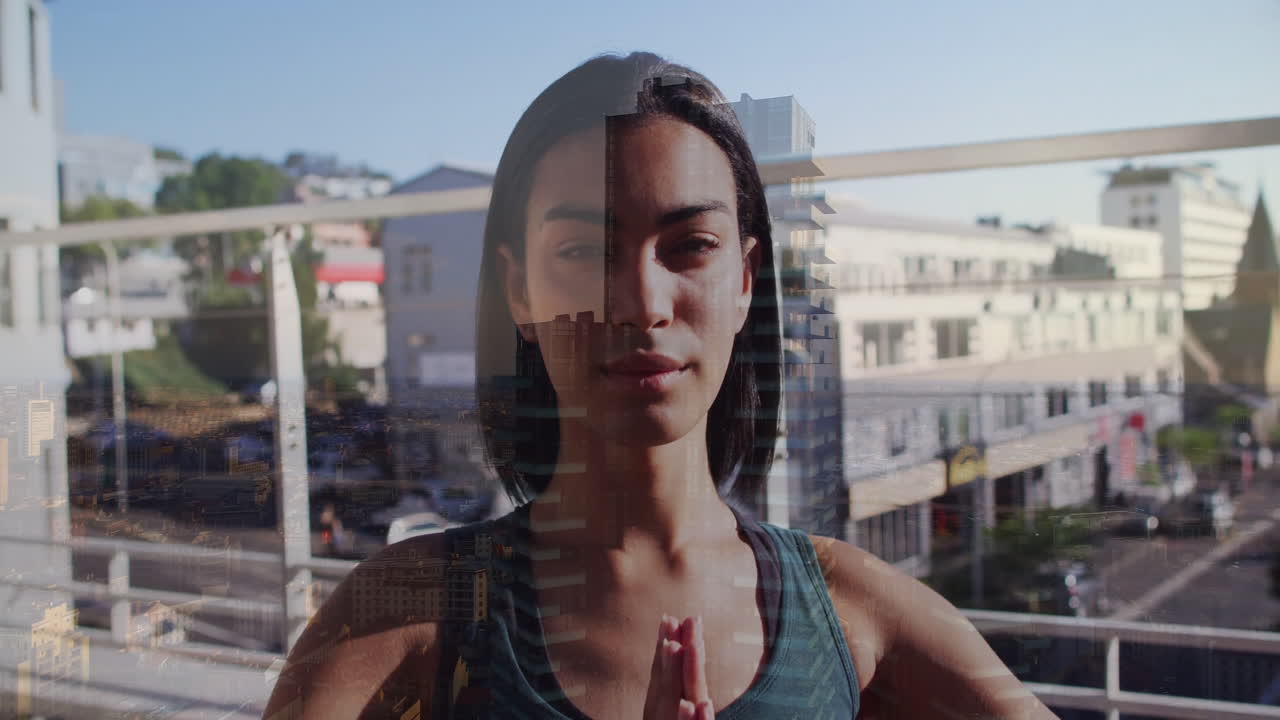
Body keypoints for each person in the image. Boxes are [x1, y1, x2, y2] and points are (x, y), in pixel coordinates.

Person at [264, 52, 1056, 719]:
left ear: (746, 280)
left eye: (691, 245)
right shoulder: (408, 610)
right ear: (519, 292)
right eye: (583, 251)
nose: (640, 304)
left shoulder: (851, 603)